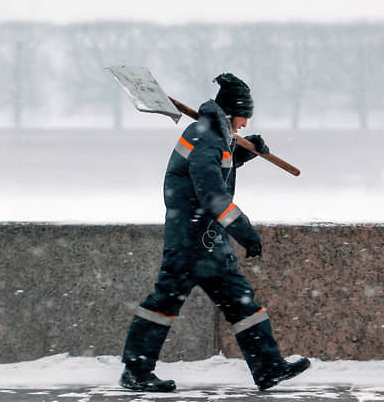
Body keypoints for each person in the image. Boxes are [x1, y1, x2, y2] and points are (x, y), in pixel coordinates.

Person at [119, 73, 310, 392]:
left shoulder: (213, 136)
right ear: (233, 112)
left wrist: (243, 154)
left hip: (206, 240)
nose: (245, 124)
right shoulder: (207, 137)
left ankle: (268, 367)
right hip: (190, 240)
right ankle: (135, 372)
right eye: (244, 116)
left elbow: (217, 166)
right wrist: (244, 231)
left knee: (240, 302)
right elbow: (211, 194)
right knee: (165, 302)